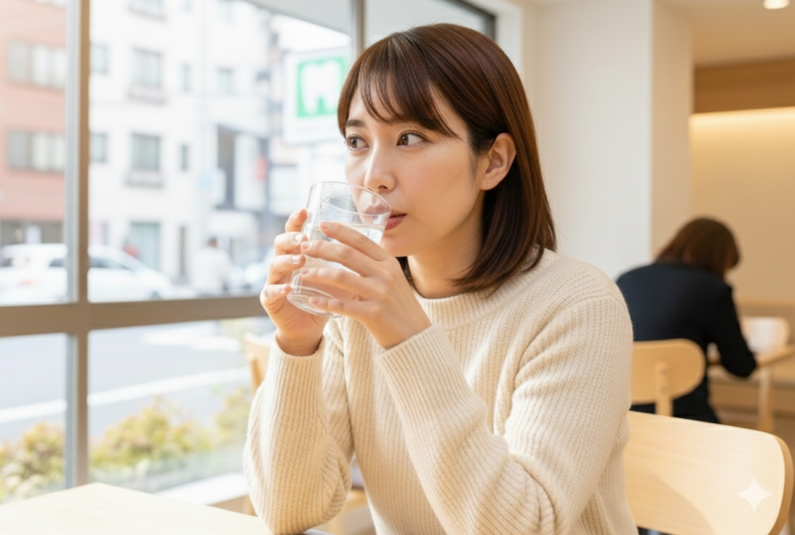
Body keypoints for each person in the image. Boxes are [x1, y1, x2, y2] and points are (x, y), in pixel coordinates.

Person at [245, 24, 636, 535]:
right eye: (358, 142)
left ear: (493, 162)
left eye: (410, 138)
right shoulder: (356, 309)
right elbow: (289, 510)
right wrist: (297, 345)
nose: (373, 176)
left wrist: (406, 334)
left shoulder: (578, 305)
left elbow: (524, 527)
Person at [617, 217, 756, 423]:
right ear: (720, 259)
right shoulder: (714, 289)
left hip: (625, 414)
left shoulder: (627, 279)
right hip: (684, 418)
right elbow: (741, 367)